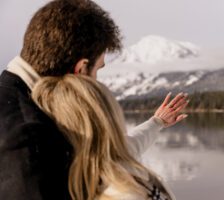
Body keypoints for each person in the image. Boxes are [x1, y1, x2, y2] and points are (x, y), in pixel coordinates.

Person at [0, 0, 188, 199]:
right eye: (98, 69)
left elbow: (107, 158)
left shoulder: (26, 104)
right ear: (80, 69)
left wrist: (156, 123)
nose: (97, 80)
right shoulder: (28, 141)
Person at [31, 74, 187, 200]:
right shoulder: (124, 194)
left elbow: (132, 142)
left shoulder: (95, 163)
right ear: (100, 118)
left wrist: (157, 122)